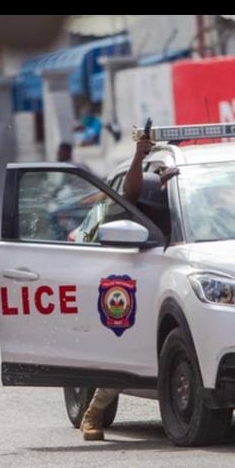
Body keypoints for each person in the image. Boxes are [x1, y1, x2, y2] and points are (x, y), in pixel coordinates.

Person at [79, 134, 179, 441]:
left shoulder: (190, 190)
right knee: (127, 348)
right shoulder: (141, 195)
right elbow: (132, 192)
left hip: (180, 274)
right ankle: (93, 413)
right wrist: (140, 157)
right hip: (131, 280)